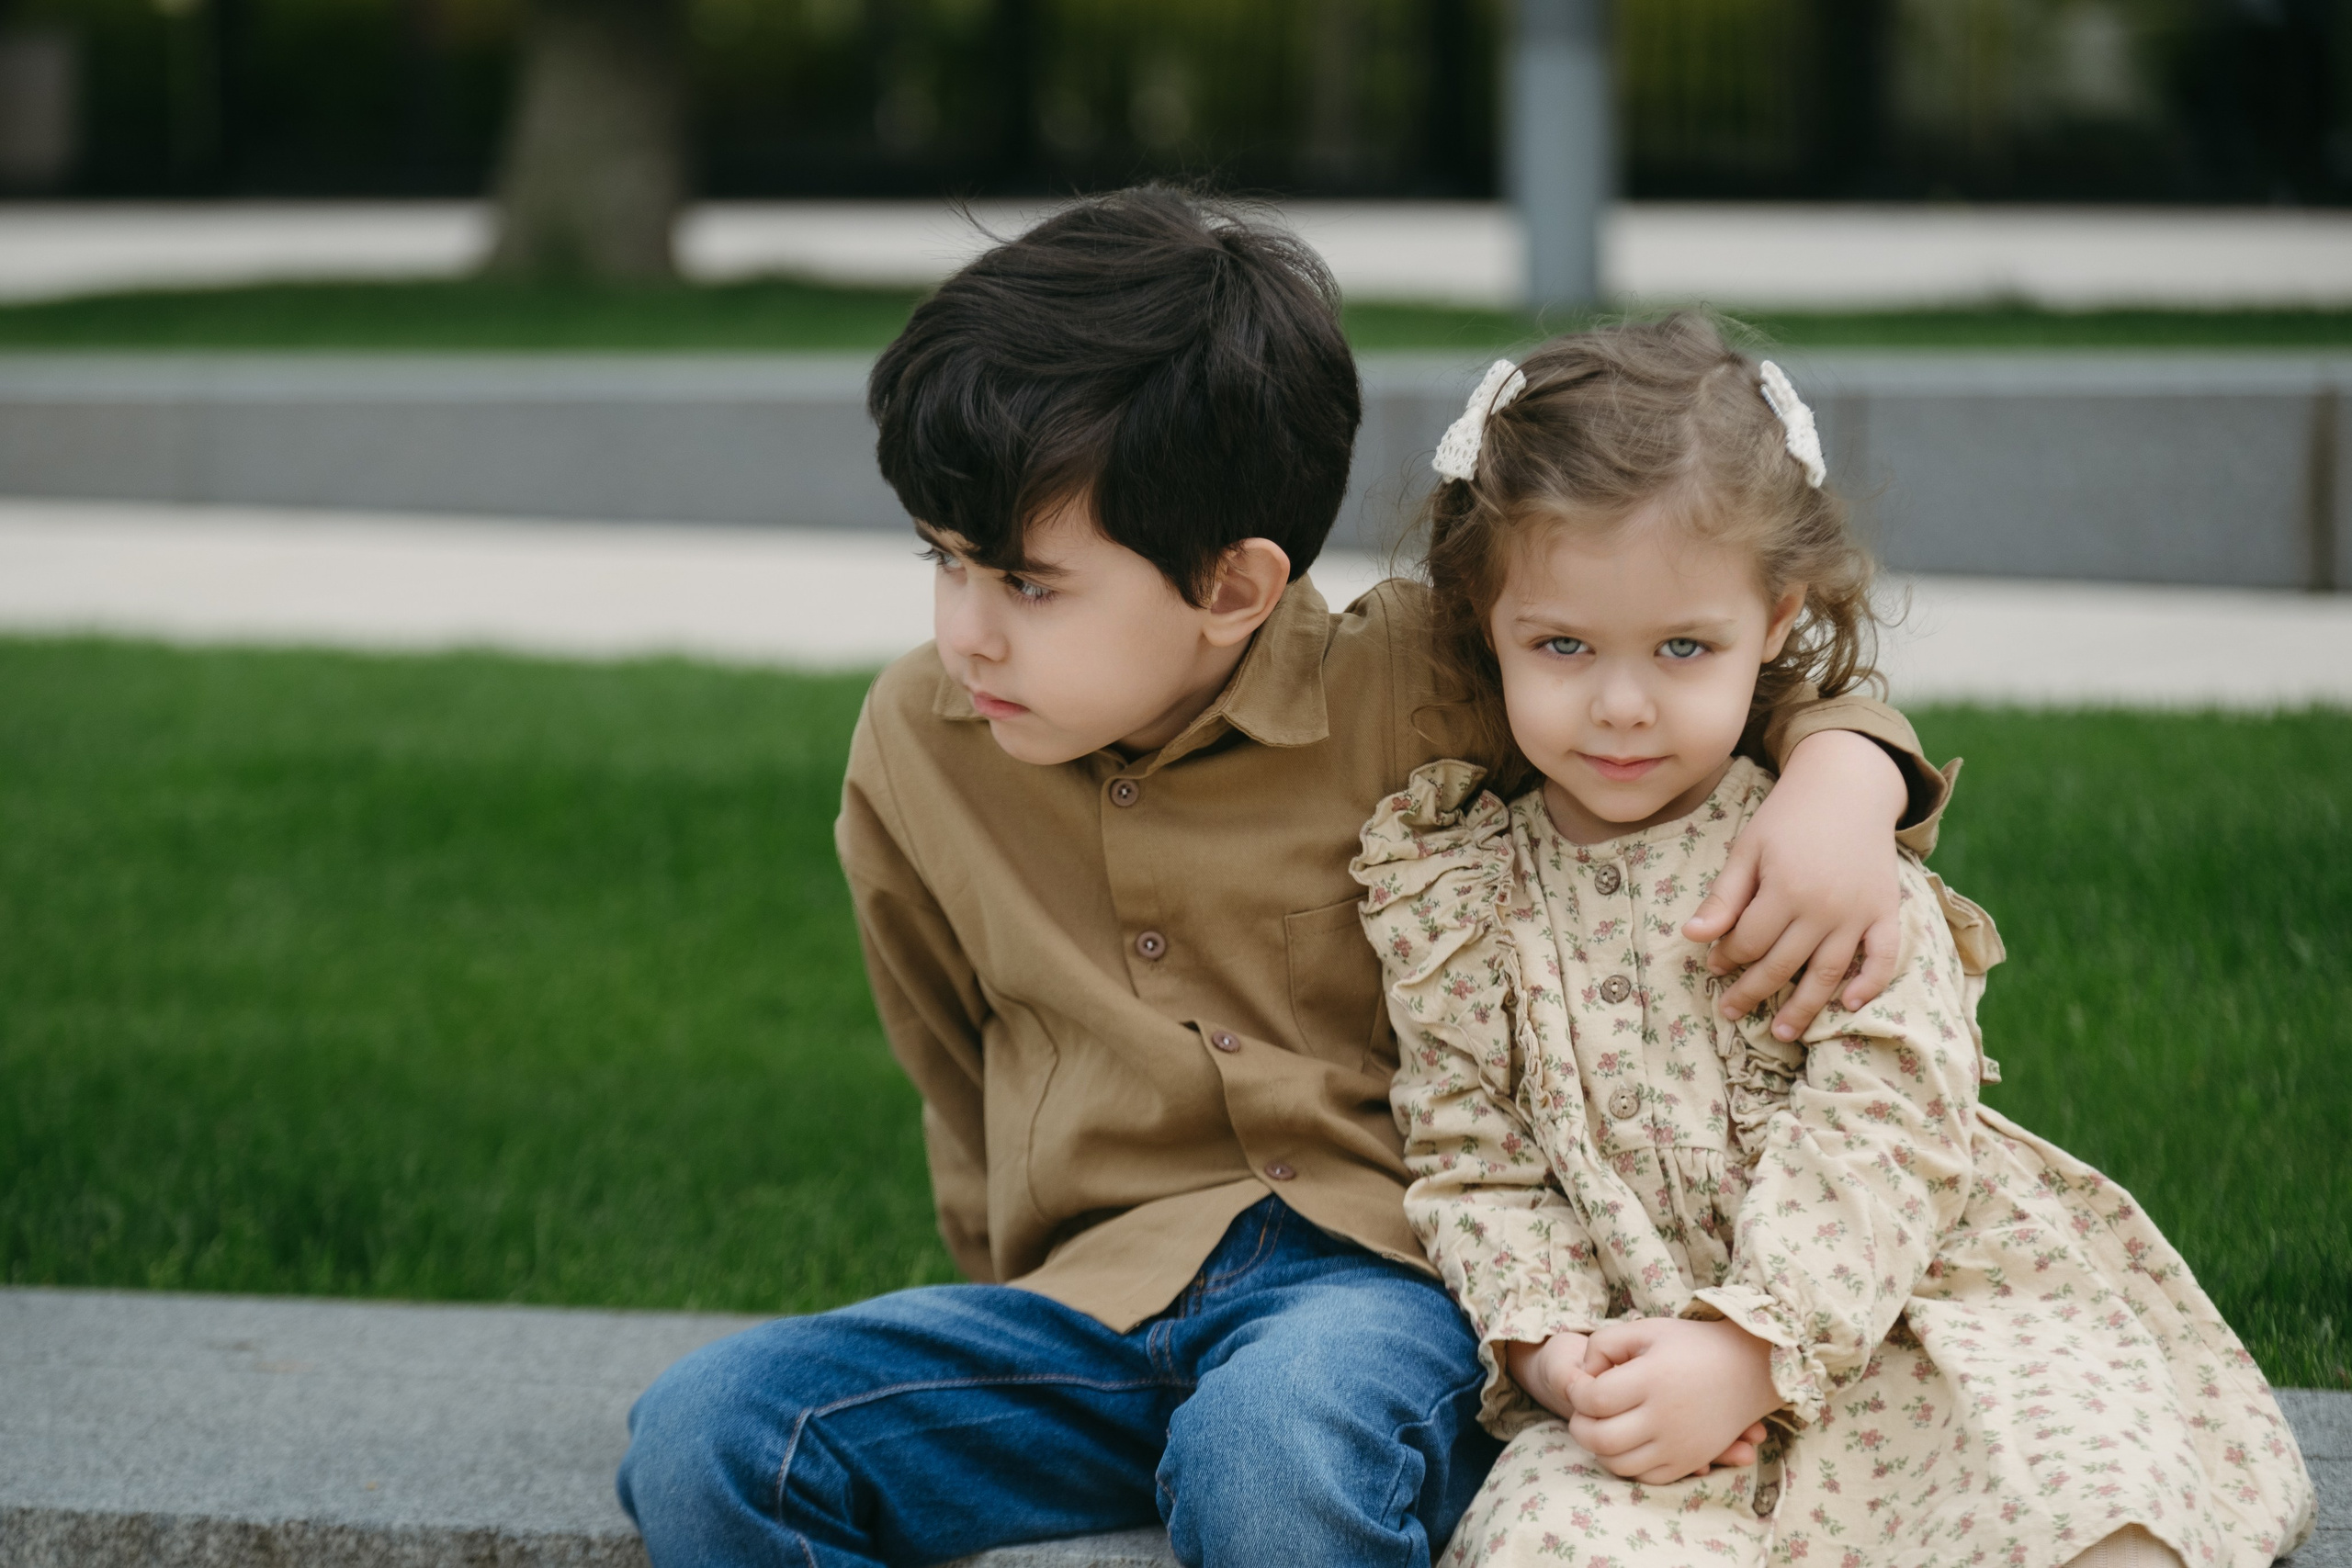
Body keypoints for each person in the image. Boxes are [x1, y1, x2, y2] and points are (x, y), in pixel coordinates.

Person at [616, 190, 1954, 1568]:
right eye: (943, 563)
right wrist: (1001, 1282)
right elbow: (947, 1057)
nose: (967, 634)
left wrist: (1849, 776)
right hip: (1087, 1307)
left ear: (1236, 585)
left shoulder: (1421, 682)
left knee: (1272, 1455)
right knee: (713, 1434)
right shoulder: (917, 742)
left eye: (1027, 585)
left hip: (1380, 1297)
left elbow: (1684, 678)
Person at [1351, 315, 2316, 1568]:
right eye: (1564, 647)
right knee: (1551, 1543)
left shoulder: (1820, 852)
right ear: (1490, 624)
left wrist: (1757, 1343)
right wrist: (1558, 1348)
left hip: (1915, 1317)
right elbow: (1472, 1159)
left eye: (1684, 648)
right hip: (1654, 1370)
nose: (1623, 702)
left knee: (2083, 1501)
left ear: (1776, 617)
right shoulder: (1459, 897)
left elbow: (1893, 1114)